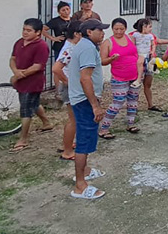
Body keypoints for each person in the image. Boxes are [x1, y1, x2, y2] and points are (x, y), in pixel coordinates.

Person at [67, 19, 110, 200]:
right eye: (100, 30)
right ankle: (80, 186)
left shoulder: (86, 46)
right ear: (89, 32)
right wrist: (95, 105)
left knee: (86, 138)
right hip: (84, 101)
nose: (103, 33)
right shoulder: (86, 49)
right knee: (84, 141)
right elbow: (85, 78)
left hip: (82, 99)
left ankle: (84, 170)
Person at [9, 18, 53, 152]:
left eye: (29, 30)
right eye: (24, 29)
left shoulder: (41, 46)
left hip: (33, 81)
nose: (25, 32)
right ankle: (46, 123)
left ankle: (23, 139)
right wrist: (16, 71)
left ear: (38, 32)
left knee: (25, 108)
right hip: (21, 80)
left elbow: (37, 66)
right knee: (34, 104)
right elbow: (13, 59)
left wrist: (19, 75)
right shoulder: (19, 42)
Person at [98, 18, 142, 137]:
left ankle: (131, 123)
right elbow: (102, 61)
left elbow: (136, 54)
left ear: (125, 29)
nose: (118, 31)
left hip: (135, 75)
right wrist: (111, 59)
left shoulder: (130, 38)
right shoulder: (108, 43)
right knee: (118, 102)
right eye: (116, 29)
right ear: (112, 29)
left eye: (121, 29)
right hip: (119, 77)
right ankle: (104, 128)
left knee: (133, 101)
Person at [52, 20, 83, 161]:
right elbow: (56, 69)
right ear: (77, 34)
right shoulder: (70, 49)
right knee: (73, 120)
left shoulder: (73, 46)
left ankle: (69, 144)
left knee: (74, 119)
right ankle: (68, 151)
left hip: (73, 86)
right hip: (71, 87)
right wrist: (67, 82)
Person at [130, 18, 168, 112]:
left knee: (148, 83)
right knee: (136, 85)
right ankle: (133, 107)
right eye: (149, 26)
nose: (151, 28)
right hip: (138, 61)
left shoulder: (149, 35)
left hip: (149, 60)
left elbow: (157, 41)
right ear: (143, 26)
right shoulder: (133, 35)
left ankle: (150, 105)